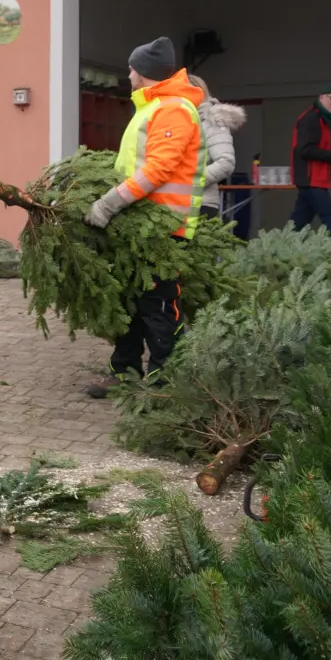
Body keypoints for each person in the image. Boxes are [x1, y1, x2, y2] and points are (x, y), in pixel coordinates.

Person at [83, 36, 206, 399]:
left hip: (163, 226)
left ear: (146, 72)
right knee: (130, 302)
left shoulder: (173, 109)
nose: (129, 72)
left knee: (158, 305)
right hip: (139, 223)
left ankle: (167, 381)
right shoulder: (151, 108)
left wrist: (108, 204)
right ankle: (124, 370)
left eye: (133, 66)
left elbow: (157, 170)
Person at [289, 84, 331, 244]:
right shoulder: (312, 119)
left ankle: (280, 250)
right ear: (321, 97)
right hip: (311, 178)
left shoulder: (322, 118)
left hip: (313, 178)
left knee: (299, 221)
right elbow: (304, 149)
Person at [185, 75, 244, 221]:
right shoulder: (177, 120)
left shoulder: (212, 120)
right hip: (177, 203)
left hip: (201, 204)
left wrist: (190, 182)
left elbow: (226, 162)